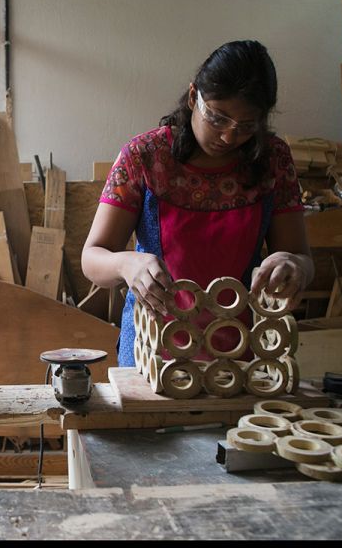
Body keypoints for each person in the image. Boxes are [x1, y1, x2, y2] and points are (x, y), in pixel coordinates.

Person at [82, 40, 313, 367]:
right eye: (218, 118)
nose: (229, 137)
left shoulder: (273, 159)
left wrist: (293, 266)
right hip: (154, 353)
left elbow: (303, 258)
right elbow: (91, 258)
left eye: (247, 126)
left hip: (241, 352)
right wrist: (125, 264)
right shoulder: (144, 157)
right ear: (194, 98)